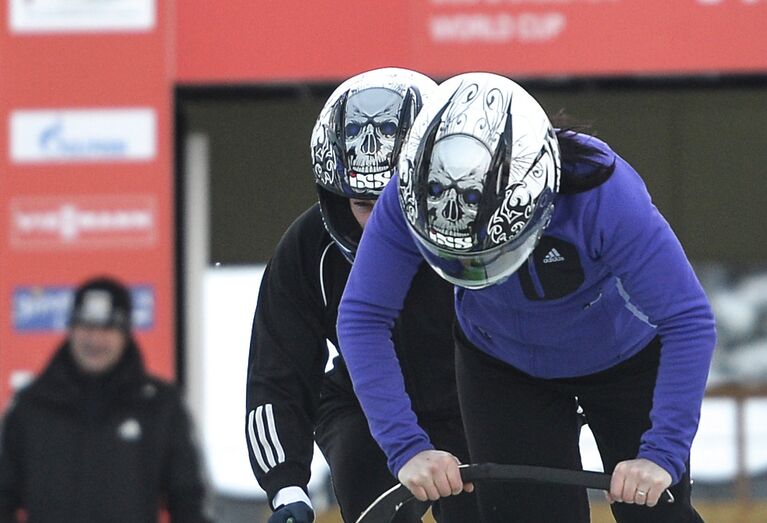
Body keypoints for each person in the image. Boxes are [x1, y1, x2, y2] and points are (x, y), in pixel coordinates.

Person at [337, 72, 717, 523]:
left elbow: (688, 319)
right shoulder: (408, 196)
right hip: (502, 366)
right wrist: (406, 448)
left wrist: (663, 454)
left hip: (626, 359)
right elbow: (362, 317)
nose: (478, 270)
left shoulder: (603, 193)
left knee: (656, 515)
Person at [245, 68, 480, 523]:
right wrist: (286, 485)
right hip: (363, 406)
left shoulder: (478, 229)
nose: (381, 223)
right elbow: (277, 369)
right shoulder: (309, 248)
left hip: (476, 398)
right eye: (365, 205)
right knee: (370, 497)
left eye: (396, 198)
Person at [0, 276, 212, 523]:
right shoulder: (30, 406)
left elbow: (189, 500)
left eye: (107, 329)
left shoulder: (160, 406)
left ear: (125, 333)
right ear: (72, 329)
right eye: (86, 327)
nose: (95, 340)